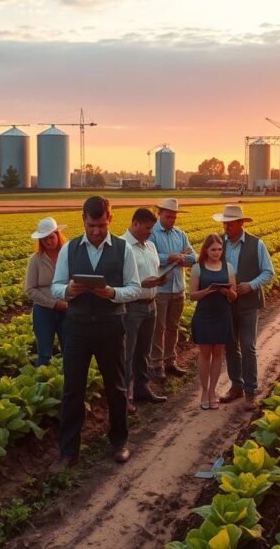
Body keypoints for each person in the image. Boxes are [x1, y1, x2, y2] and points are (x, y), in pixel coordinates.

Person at [50, 196, 142, 469]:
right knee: (72, 389)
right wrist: (68, 290)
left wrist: (113, 293)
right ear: (83, 221)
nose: (96, 231)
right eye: (91, 226)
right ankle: (68, 451)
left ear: (110, 220)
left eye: (101, 225)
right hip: (76, 327)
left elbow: (134, 288)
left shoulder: (124, 249)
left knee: (115, 387)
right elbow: (55, 286)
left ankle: (119, 442)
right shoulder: (70, 249)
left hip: (110, 326)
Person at [214, 205, 275, 405]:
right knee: (230, 346)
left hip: (248, 303)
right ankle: (236, 386)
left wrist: (251, 285)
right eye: (225, 223)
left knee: (248, 345)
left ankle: (250, 389)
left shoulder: (256, 244)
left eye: (230, 224)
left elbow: (268, 272)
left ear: (241, 224)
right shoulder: (219, 243)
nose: (226, 227)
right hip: (225, 304)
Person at [121, 208, 169, 410]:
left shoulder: (150, 246)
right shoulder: (122, 247)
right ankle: (124, 396)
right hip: (131, 307)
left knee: (144, 352)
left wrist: (159, 279)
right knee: (127, 353)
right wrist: (143, 284)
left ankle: (142, 388)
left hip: (151, 305)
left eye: (153, 228)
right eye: (148, 228)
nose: (151, 232)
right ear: (135, 224)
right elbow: (119, 281)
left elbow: (154, 269)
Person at [149, 198, 196, 380]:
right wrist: (171, 257)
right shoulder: (152, 234)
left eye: (174, 217)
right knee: (158, 328)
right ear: (160, 214)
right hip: (161, 289)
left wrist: (182, 258)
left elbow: (193, 256)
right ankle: (156, 364)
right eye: (169, 217)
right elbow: (151, 257)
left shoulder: (180, 234)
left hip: (178, 288)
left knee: (173, 327)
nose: (172, 220)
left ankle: (170, 361)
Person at [189, 234, 237, 409]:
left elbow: (234, 296)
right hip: (204, 315)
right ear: (206, 250)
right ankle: (204, 391)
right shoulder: (197, 268)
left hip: (222, 314)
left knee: (218, 354)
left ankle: (212, 391)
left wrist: (228, 293)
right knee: (204, 354)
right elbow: (192, 296)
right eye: (213, 249)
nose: (216, 253)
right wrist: (207, 291)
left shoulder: (228, 268)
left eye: (219, 249)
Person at [25, 217, 68, 366]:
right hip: (43, 311)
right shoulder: (35, 260)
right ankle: (43, 386)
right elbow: (30, 290)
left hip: (67, 311)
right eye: (44, 239)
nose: (49, 242)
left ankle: (68, 386)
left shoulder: (68, 256)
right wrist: (54, 304)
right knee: (44, 354)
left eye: (51, 237)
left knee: (69, 352)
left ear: (58, 234)